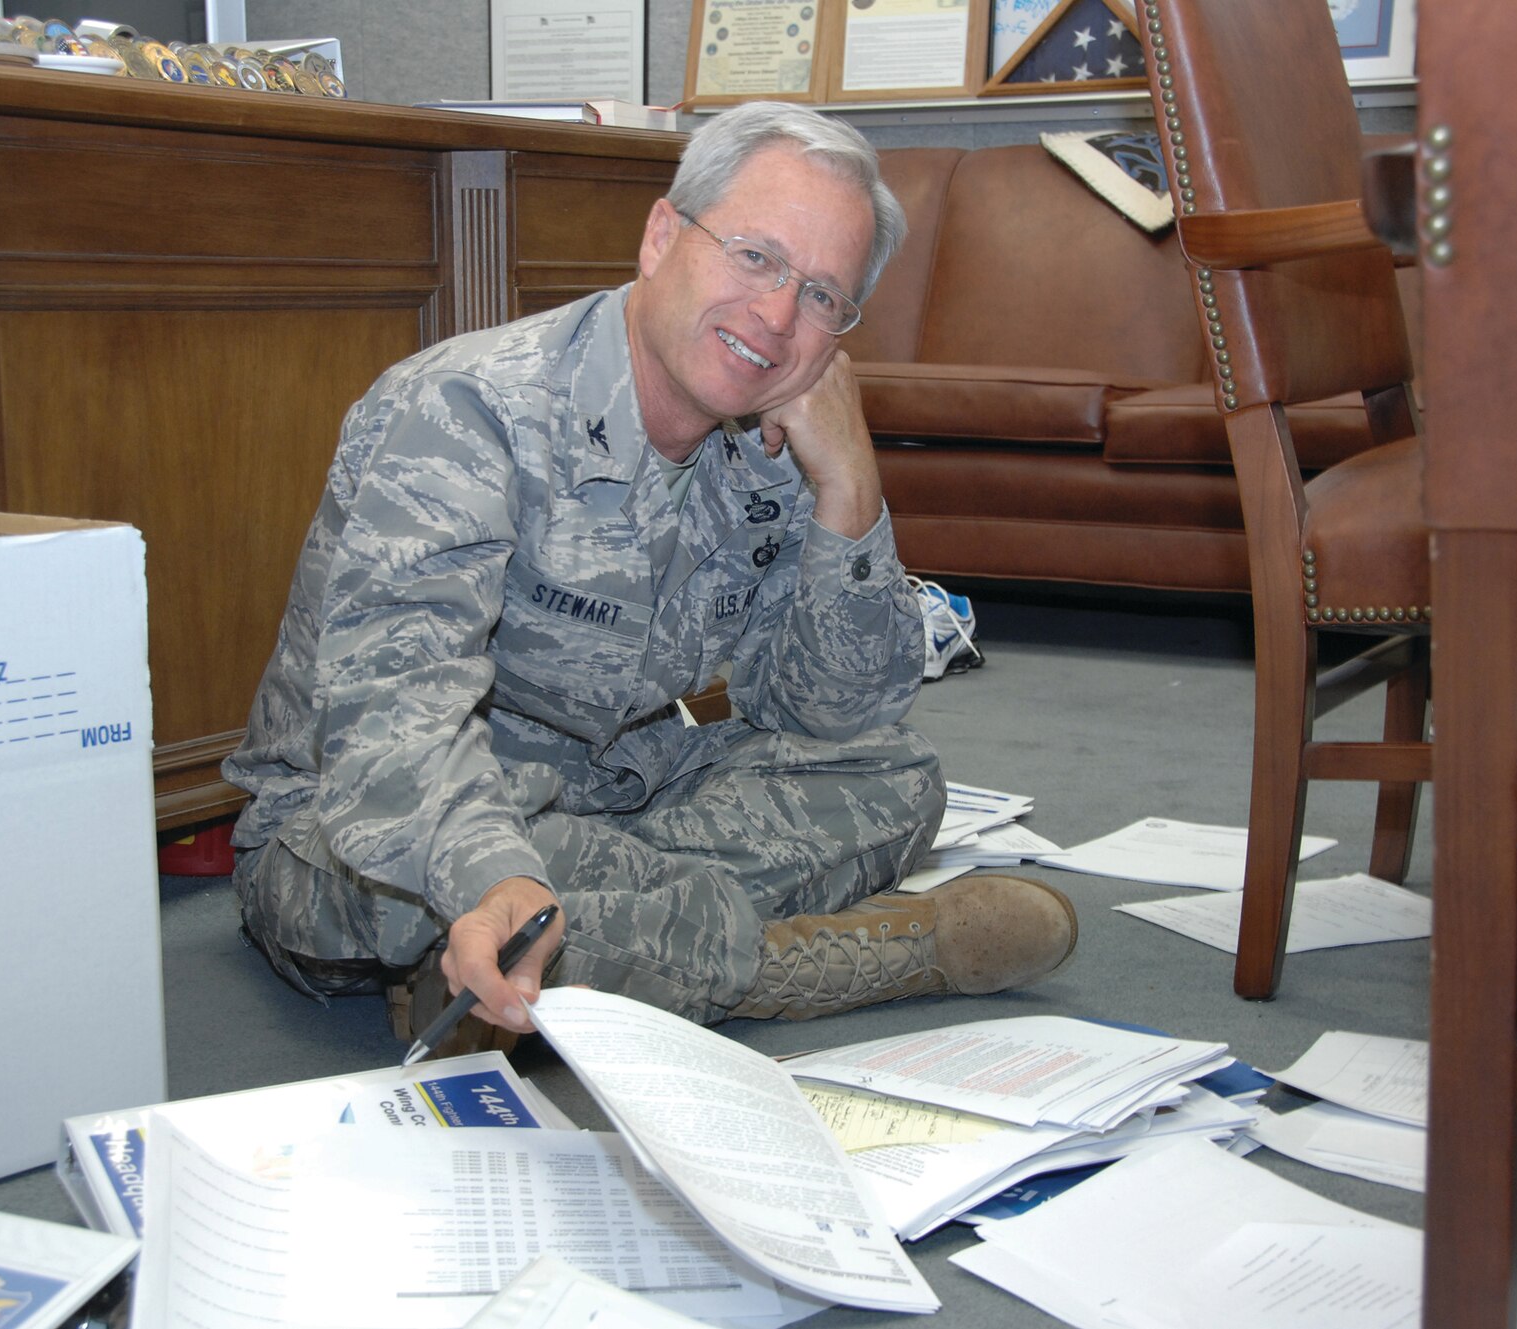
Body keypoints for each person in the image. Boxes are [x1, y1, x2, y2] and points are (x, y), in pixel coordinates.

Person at [222, 100, 1077, 1055]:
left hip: (613, 791)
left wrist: (851, 489)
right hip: (371, 812)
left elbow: (831, 717)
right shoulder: (468, 407)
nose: (777, 315)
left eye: (822, 296)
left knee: (896, 778)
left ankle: (549, 957)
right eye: (754, 256)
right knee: (400, 879)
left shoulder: (777, 438)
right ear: (663, 235)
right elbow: (394, 719)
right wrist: (495, 872)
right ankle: (795, 968)